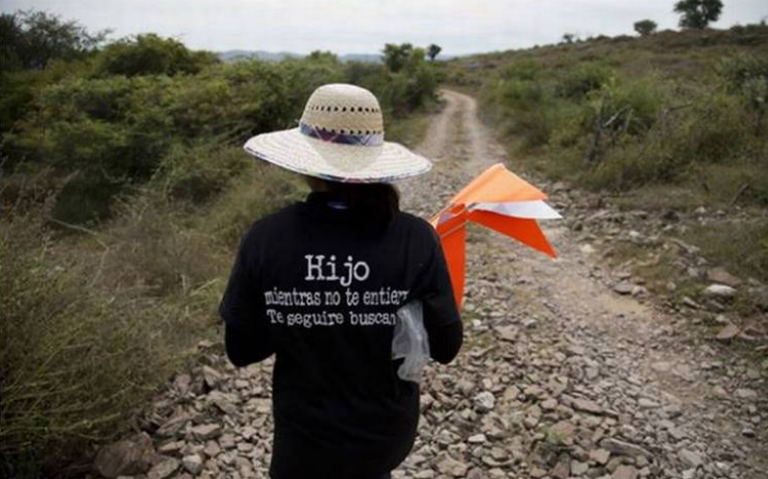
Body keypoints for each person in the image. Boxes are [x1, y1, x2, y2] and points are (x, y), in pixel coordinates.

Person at [219, 83, 462, 479]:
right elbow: (446, 347)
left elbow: (241, 350)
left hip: (303, 443)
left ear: (306, 163)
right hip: (385, 439)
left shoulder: (266, 237)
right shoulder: (416, 237)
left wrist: (299, 312)